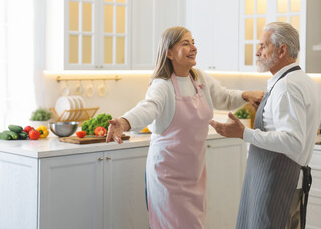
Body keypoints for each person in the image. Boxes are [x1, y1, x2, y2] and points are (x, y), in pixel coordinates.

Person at [106, 26, 263, 228]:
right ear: (169, 52)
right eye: (185, 43)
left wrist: (246, 95)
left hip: (194, 172)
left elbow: (223, 97)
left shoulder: (199, 78)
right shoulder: (162, 85)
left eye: (193, 43)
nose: (193, 48)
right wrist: (125, 122)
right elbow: (148, 107)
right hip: (167, 174)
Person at [209, 22, 321, 229]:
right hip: (281, 183)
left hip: (278, 185)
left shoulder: (287, 86)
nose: (257, 52)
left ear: (282, 50)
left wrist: (245, 133)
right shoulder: (300, 80)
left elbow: (293, 141)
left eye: (262, 46)